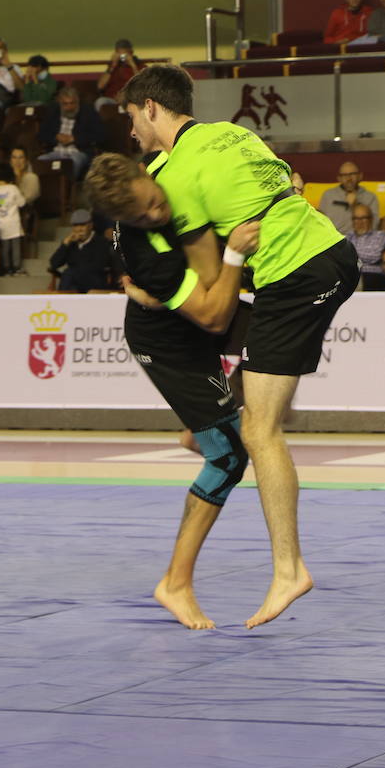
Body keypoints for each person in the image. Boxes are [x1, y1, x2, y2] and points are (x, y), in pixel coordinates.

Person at [96, 64, 358, 629]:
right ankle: (205, 431)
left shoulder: (172, 177)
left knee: (257, 434)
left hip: (290, 277)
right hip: (323, 258)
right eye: (145, 209)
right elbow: (287, 184)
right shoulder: (235, 132)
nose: (131, 135)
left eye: (131, 119)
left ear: (150, 108)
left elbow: (216, 305)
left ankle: (286, 570)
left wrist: (235, 251)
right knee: (236, 434)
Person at [87, 150, 262, 630]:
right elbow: (212, 315)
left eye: (150, 202)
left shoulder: (168, 164)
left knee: (282, 341)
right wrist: (234, 253)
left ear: (147, 171)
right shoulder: (145, 255)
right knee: (229, 457)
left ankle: (197, 428)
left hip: (191, 316)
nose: (153, 215)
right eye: (137, 217)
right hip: (168, 342)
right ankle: (175, 583)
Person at [38, 85, 104, 179]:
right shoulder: (53, 112)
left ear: (77, 102)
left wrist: (74, 139)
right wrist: (56, 137)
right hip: (57, 151)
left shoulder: (88, 112)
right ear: (60, 103)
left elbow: (100, 136)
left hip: (78, 152)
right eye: (65, 104)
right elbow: (41, 134)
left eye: (72, 103)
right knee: (40, 161)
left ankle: (68, 190)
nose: (69, 107)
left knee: (72, 163)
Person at [49, 209, 114, 292]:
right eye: (76, 225)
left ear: (91, 225)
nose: (79, 229)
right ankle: (65, 299)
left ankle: (64, 299)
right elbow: (54, 263)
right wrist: (65, 244)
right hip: (74, 283)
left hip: (95, 282)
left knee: (68, 274)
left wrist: (74, 271)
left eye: (83, 225)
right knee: (69, 277)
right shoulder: (70, 243)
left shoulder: (101, 242)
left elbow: (99, 266)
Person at [0, 163, 27, 275]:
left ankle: (7, 268)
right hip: (13, 222)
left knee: (5, 246)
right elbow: (22, 203)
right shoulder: (13, 188)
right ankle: (17, 267)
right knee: (15, 246)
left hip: (1, 223)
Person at [317, 161, 379, 236]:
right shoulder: (328, 195)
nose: (349, 178)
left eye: (352, 174)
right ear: (339, 178)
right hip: (335, 239)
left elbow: (374, 226)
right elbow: (321, 224)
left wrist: (356, 206)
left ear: (360, 176)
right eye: (344, 175)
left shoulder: (370, 197)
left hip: (360, 239)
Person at [347, 203, 385, 286]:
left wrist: (350, 254)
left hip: (372, 276)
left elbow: (374, 256)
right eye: (356, 219)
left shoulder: (380, 235)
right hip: (351, 277)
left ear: (371, 219)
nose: (360, 222)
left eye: (363, 218)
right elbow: (340, 257)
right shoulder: (347, 236)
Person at [97, 39, 145, 107]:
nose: (122, 58)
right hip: (112, 99)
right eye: (120, 54)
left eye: (125, 55)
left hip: (131, 99)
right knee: (100, 101)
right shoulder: (112, 67)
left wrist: (133, 65)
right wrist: (112, 66)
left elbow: (142, 84)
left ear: (131, 53)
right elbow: (100, 86)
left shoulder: (139, 66)